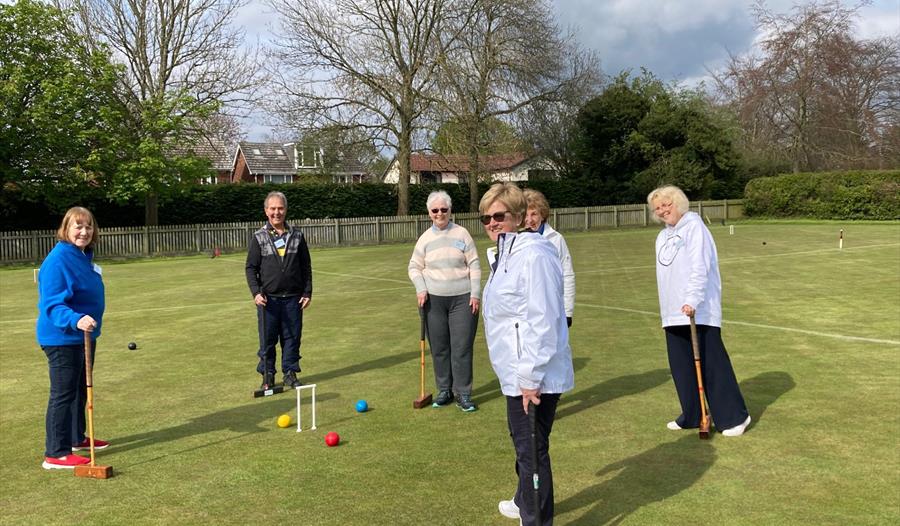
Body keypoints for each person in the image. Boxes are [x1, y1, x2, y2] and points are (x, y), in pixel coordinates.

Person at [480, 183, 574, 525]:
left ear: (518, 216)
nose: (492, 222)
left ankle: (535, 519)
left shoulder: (534, 254)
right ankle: (524, 501)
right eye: (486, 217)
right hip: (515, 372)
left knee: (532, 451)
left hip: (533, 375)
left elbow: (544, 319)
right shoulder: (505, 254)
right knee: (524, 445)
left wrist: (530, 378)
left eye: (499, 216)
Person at [648, 185, 751, 437]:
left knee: (713, 364)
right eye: (657, 208)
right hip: (672, 312)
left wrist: (692, 299)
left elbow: (699, 266)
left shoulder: (694, 227)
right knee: (682, 367)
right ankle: (693, 415)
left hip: (698, 309)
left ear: (678, 203)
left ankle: (735, 417)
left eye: (666, 204)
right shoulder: (662, 237)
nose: (663, 211)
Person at [36, 206, 108, 470]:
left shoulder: (83, 256)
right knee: (63, 394)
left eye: (88, 226)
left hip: (84, 336)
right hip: (62, 337)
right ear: (66, 229)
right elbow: (52, 304)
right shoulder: (58, 260)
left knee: (79, 390)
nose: (84, 231)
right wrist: (76, 319)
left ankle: (77, 438)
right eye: (78, 226)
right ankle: (56, 452)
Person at [407, 190, 481, 412]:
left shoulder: (462, 234)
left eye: (444, 209)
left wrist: (475, 293)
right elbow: (414, 267)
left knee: (461, 347)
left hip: (463, 299)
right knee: (439, 348)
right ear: (429, 213)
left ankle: (463, 393)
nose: (439, 213)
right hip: (433, 301)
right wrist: (421, 288)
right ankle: (444, 390)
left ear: (450, 210)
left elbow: (475, 265)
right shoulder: (425, 239)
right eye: (435, 210)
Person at [245, 191, 312, 390]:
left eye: (280, 208)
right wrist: (256, 292)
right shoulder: (259, 237)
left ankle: (290, 373)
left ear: (286, 209)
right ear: (266, 211)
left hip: (293, 299)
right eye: (273, 208)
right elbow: (251, 268)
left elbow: (306, 266)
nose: (277, 212)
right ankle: (268, 375)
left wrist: (307, 292)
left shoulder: (297, 235)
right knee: (267, 340)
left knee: (292, 337)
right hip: (268, 300)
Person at [522, 189, 575, 327]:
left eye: (534, 214)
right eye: (525, 215)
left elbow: (567, 275)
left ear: (542, 215)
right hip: (525, 311)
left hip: (552, 309)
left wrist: (568, 312)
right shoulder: (516, 240)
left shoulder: (556, 239)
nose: (529, 220)